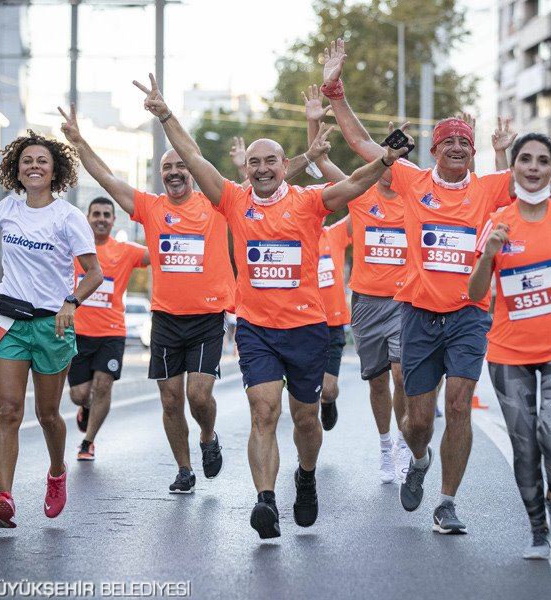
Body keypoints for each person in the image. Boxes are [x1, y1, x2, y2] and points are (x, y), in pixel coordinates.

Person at [321, 38, 551, 533]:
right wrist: (334, 88)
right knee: (419, 422)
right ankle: (419, 459)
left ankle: (447, 501)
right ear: (434, 150)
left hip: (470, 314)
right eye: (449, 141)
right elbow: (363, 143)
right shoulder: (410, 180)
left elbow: (549, 156)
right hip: (417, 314)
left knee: (459, 406)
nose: (457, 147)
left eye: (465, 142)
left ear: (474, 153)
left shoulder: (491, 190)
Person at [132, 72, 411, 538]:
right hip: (256, 330)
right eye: (254, 163)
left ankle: (304, 477)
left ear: (285, 166)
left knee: (305, 418)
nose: (261, 168)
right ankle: (265, 501)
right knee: (264, 412)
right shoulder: (233, 200)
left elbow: (356, 185)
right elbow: (195, 156)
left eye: (270, 162)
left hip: (306, 330)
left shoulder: (308, 201)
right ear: (246, 170)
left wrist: (384, 158)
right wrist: (165, 114)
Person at [58, 103, 232, 494]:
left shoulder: (218, 204)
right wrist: (79, 142)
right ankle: (184, 469)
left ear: (192, 170)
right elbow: (106, 178)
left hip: (207, 317)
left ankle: (208, 436)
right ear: (161, 176)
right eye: (167, 168)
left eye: (181, 166)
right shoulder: (151, 209)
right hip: (166, 320)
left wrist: (166, 116)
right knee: (171, 401)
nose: (173, 173)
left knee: (198, 396)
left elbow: (197, 155)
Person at [0, 130, 102, 528]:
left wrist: (71, 302)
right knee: (9, 411)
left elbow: (94, 274)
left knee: (48, 414)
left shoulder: (68, 217)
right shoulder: (7, 209)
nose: (34, 166)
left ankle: (56, 472)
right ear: (17, 169)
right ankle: (5, 497)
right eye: (27, 160)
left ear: (54, 171)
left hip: (52, 325)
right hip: (10, 321)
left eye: (42, 161)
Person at [469, 133, 551, 559]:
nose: (533, 167)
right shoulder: (497, 222)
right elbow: (475, 293)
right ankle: (537, 531)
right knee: (524, 441)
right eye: (524, 159)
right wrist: (488, 255)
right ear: (513, 169)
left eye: (541, 161)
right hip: (509, 350)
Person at [303, 85, 411, 482]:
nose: (388, 168)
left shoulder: (415, 199)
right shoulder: (360, 195)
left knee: (402, 375)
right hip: (365, 303)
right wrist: (313, 121)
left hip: (404, 302)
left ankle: (401, 446)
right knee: (378, 380)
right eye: (381, 158)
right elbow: (320, 166)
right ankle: (384, 444)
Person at [68, 196, 150, 461]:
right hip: (78, 331)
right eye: (96, 214)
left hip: (111, 332)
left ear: (113, 220)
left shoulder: (125, 251)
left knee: (103, 385)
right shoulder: (74, 250)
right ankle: (86, 408)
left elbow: (158, 253)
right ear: (88, 218)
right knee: (79, 394)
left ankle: (88, 442)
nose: (101, 219)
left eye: (106, 214)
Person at [316, 215, 352, 431]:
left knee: (328, 389)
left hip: (333, 325)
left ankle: (327, 402)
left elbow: (359, 209)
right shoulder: (292, 239)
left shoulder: (334, 234)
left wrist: (374, 181)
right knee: (305, 398)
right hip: (301, 326)